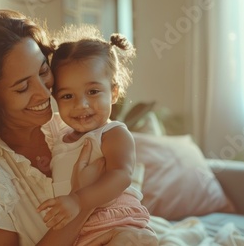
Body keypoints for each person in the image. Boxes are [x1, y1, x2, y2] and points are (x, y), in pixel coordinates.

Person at [0, 9, 154, 246]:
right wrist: (83, 199)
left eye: (43, 71)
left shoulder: (68, 129)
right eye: (22, 87)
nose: (45, 92)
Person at [36, 26, 158, 246]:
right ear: (54, 98)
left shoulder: (113, 134)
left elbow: (121, 175)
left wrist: (77, 199)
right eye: (67, 96)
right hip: (80, 233)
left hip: (117, 223)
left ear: (113, 92)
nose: (81, 105)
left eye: (92, 92)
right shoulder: (59, 136)